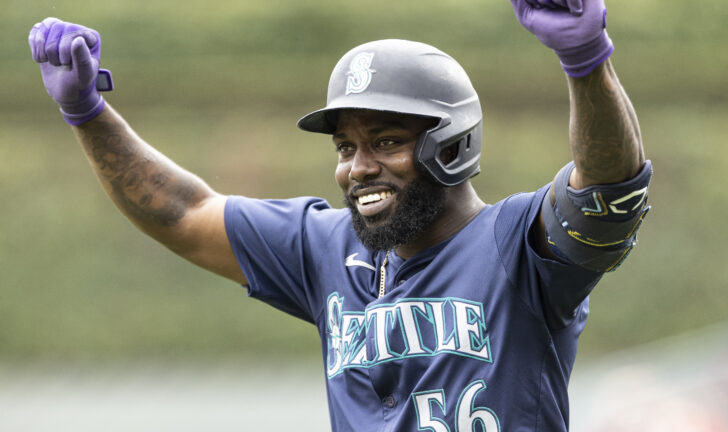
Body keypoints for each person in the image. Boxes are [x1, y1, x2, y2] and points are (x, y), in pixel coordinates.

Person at [28, 0, 651, 430]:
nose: (357, 168)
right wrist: (88, 113)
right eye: (346, 147)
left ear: (452, 144)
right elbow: (184, 212)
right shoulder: (326, 250)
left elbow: (606, 193)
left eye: (385, 141)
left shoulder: (515, 245)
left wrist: (585, 60)